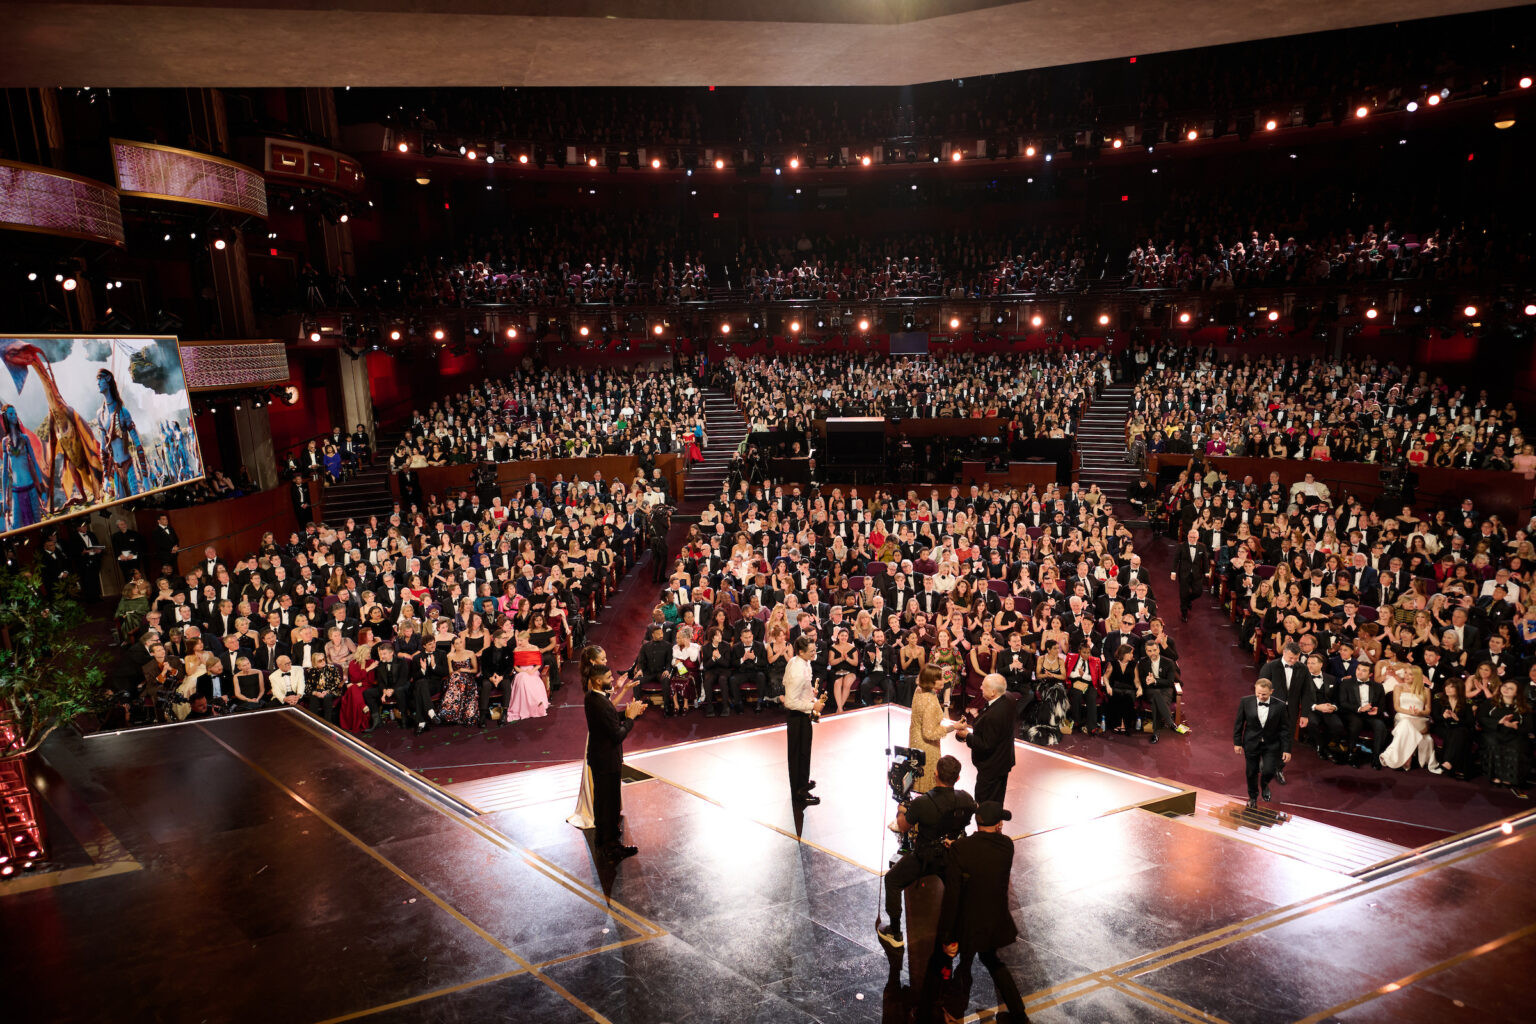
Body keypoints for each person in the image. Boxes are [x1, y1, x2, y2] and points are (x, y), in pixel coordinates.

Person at [936, 801, 1031, 1024]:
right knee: (992, 961)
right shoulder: (1007, 846)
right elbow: (983, 856)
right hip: (995, 922)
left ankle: (953, 1012)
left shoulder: (962, 849)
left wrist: (947, 935)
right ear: (998, 825)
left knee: (965, 966)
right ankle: (1019, 1014)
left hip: (970, 923)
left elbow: (953, 896)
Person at [877, 754, 976, 950]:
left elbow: (903, 827)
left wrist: (902, 810)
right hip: (951, 856)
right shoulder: (966, 799)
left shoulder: (922, 804)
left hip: (924, 857)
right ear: (957, 778)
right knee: (959, 889)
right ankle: (959, 932)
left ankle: (895, 932)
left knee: (892, 880)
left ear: (935, 774)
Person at [585, 661, 647, 860]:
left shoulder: (592, 698)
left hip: (599, 758)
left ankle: (602, 838)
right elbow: (617, 735)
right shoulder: (601, 703)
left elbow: (608, 720)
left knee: (602, 801)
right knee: (610, 803)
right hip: (607, 760)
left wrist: (629, 714)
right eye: (608, 678)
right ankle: (611, 846)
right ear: (597, 680)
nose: (612, 681)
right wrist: (630, 719)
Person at [954, 673, 1016, 806]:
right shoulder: (1009, 698)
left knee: (984, 803)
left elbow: (986, 744)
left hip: (991, 766)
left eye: (984, 686)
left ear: (993, 692)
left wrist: (967, 736)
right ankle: (995, 824)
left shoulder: (993, 716)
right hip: (1003, 761)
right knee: (997, 800)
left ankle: (986, 825)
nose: (980, 687)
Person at [1233, 679, 1292, 807]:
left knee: (1269, 771)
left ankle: (1264, 785)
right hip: (1251, 743)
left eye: (1264, 694)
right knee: (1251, 772)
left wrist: (1287, 749)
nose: (1260, 697)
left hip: (1271, 744)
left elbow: (1285, 729)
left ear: (1271, 691)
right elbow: (1239, 723)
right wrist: (1237, 742)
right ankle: (1252, 797)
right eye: (1258, 693)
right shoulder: (1245, 702)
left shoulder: (1280, 706)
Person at [783, 634, 827, 806]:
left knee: (804, 752)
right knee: (798, 754)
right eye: (811, 651)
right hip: (797, 716)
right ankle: (799, 792)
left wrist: (810, 694)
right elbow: (790, 701)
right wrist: (812, 707)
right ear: (800, 652)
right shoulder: (797, 671)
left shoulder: (802, 662)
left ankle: (802, 782)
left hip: (802, 713)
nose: (814, 653)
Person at [909, 665, 959, 793]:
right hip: (927, 748)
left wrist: (936, 670)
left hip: (915, 742)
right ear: (930, 681)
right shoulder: (930, 701)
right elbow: (929, 734)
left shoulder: (919, 690)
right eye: (940, 678)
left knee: (915, 781)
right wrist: (953, 727)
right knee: (927, 787)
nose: (944, 681)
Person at [1379, 675, 1441, 773]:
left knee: (1405, 724)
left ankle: (1392, 755)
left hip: (1419, 718)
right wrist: (1409, 712)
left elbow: (1428, 710)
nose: (1406, 675)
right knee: (1405, 722)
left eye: (1410, 674)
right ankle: (1407, 758)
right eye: (1406, 673)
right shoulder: (1398, 687)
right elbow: (1396, 707)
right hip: (1402, 716)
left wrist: (1418, 713)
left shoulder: (1425, 690)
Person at [1481, 680, 1530, 799]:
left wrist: (1514, 726)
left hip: (1514, 735)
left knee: (1516, 746)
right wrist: (1498, 722)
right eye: (1505, 686)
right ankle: (1495, 776)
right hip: (1494, 732)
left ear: (1516, 693)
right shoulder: (1490, 703)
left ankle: (1509, 778)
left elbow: (1529, 726)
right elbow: (1481, 718)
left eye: (1511, 688)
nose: (1506, 689)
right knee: (1493, 742)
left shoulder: (1523, 707)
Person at [507, 632, 551, 721]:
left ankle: (534, 703)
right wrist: (522, 671)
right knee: (522, 677)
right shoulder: (516, 649)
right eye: (518, 640)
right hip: (521, 672)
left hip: (532, 671)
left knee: (526, 679)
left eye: (521, 640)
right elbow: (515, 666)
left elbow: (538, 664)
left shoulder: (534, 648)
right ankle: (528, 705)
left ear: (527, 639)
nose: (519, 642)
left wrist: (532, 671)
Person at [1172, 527, 1210, 622]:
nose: (1192, 539)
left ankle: (1188, 600)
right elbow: (1176, 559)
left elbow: (1205, 560)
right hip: (1184, 574)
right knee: (1183, 594)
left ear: (1198, 537)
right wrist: (1173, 572)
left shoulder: (1202, 546)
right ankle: (1184, 614)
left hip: (1197, 574)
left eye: (1194, 537)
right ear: (1187, 536)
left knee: (1198, 592)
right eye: (1190, 537)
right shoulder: (1181, 546)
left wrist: (1206, 571)